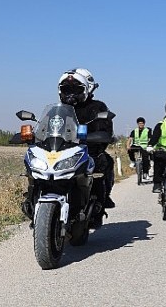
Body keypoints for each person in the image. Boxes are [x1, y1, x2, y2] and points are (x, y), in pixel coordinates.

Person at [58, 68, 116, 226]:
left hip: (89, 152)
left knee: (105, 163)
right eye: (66, 89)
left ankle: (98, 204)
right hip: (61, 153)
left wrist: (100, 137)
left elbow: (105, 130)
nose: (70, 93)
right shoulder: (59, 110)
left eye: (75, 89)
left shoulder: (97, 108)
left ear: (87, 89)